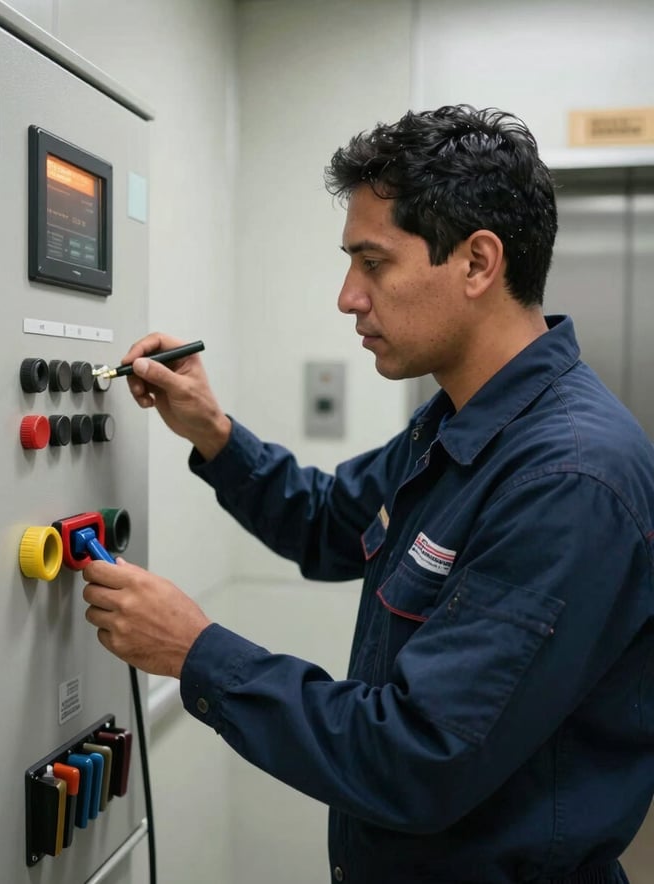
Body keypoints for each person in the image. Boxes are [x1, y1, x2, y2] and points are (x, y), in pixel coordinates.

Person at [82, 105, 654, 884]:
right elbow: (327, 522)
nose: (349, 296)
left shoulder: (567, 480)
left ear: (478, 263)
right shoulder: (458, 423)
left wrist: (196, 653)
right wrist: (213, 431)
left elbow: (417, 756)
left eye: (373, 262)